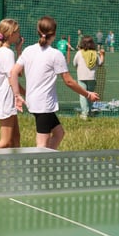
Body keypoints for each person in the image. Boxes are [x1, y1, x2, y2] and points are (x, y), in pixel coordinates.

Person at [10, 16, 99, 149]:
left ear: (38, 31)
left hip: (36, 102)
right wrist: (87, 94)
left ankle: (47, 163)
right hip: (43, 105)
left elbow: (13, 73)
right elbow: (68, 81)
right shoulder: (55, 54)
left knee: (59, 133)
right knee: (42, 144)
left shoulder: (28, 50)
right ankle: (39, 167)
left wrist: (18, 95)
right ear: (54, 33)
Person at [0, 19, 24, 148]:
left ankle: (15, 167)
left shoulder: (1, 51)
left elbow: (18, 73)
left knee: (15, 139)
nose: (19, 34)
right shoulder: (7, 53)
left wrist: (19, 51)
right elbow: (13, 78)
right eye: (17, 32)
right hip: (5, 98)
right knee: (6, 141)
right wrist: (21, 95)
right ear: (10, 34)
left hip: (5, 97)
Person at [72, 35, 104, 120]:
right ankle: (89, 112)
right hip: (92, 78)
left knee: (83, 95)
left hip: (81, 77)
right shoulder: (95, 53)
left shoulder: (79, 53)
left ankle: (84, 113)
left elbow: (74, 64)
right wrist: (102, 55)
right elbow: (100, 63)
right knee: (91, 95)